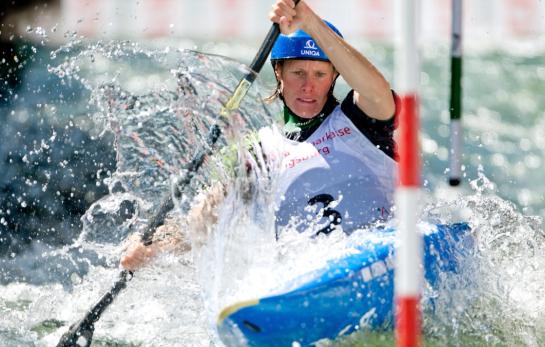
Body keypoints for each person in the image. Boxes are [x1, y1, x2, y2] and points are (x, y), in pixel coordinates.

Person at [121, 0, 397, 271]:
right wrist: (153, 249)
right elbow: (203, 219)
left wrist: (311, 23)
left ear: (335, 76)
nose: (308, 86)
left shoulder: (361, 121)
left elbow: (376, 90)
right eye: (298, 72)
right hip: (307, 280)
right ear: (279, 74)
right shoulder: (259, 151)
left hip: (378, 260)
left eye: (320, 74)